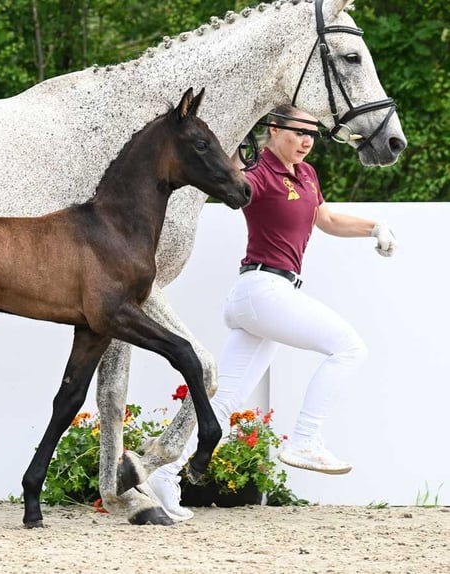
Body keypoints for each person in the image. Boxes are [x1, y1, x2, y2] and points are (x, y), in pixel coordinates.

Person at [140, 104, 398, 521]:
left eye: (312, 133)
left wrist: (374, 227)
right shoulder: (257, 170)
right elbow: (228, 181)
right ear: (273, 130)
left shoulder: (308, 175)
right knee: (349, 349)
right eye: (297, 132)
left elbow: (327, 220)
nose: (307, 140)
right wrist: (235, 145)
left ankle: (163, 474)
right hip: (263, 288)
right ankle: (304, 439)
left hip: (267, 295)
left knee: (225, 400)